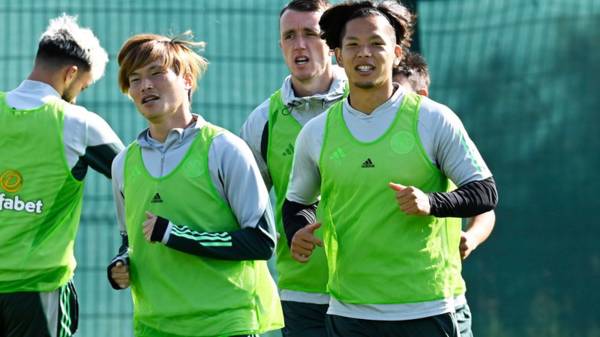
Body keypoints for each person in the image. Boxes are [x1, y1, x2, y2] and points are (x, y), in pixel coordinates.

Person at [282, 1, 498, 336]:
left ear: (397, 53)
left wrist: (432, 202)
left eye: (376, 44)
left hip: (428, 308)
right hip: (349, 311)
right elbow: (297, 203)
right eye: (352, 45)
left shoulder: (432, 118)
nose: (364, 53)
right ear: (339, 55)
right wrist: (299, 231)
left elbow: (485, 192)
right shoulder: (317, 132)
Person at [106, 32, 283, 337]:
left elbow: (262, 241)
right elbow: (130, 239)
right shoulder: (123, 163)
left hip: (225, 325)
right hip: (153, 327)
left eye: (156, 73)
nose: (145, 85)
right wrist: (121, 264)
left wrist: (177, 235)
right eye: (134, 79)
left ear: (187, 80)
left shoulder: (224, 148)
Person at [0, 14, 122, 337]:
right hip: (38, 288)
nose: (78, 95)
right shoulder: (78, 123)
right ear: (71, 74)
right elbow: (135, 172)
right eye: (82, 86)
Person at [240, 1, 346, 336]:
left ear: (331, 42)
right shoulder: (262, 121)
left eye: (310, 34)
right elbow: (242, 210)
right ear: (280, 45)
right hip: (301, 292)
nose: (300, 45)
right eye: (290, 36)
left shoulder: (366, 103)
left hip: (373, 289)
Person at [394, 51, 497, 337]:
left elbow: (485, 208)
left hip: (441, 299)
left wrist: (472, 237)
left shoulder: (439, 135)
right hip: (370, 305)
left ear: (422, 94)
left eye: (399, 94)